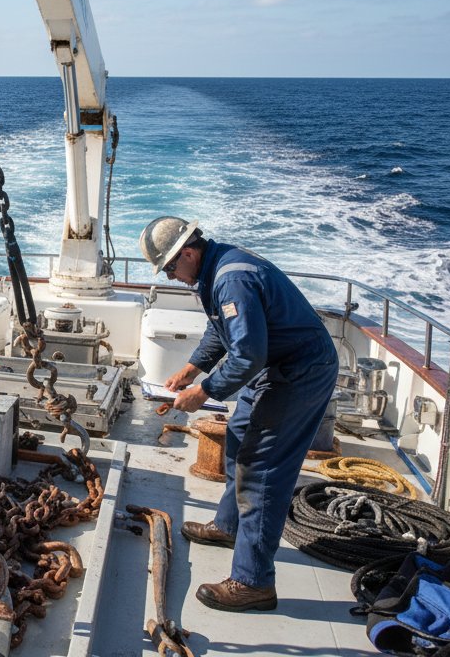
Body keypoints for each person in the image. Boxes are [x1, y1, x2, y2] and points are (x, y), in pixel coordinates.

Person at [138, 216, 338, 613]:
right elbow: (221, 329)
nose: (173, 278)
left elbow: (248, 353)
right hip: (274, 367)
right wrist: (193, 368)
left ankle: (253, 582)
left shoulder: (231, 279)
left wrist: (205, 392)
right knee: (238, 436)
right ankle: (228, 526)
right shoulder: (214, 270)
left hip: (299, 373)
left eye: (171, 268)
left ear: (188, 254)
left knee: (261, 468)